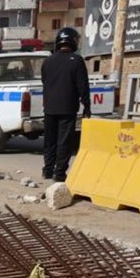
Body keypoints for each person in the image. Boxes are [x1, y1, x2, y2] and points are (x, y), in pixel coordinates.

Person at [40, 26, 91, 181]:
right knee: (64, 142)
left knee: (49, 141)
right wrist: (87, 106)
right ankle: (60, 172)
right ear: (73, 42)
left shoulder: (47, 61)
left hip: (49, 108)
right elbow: (83, 86)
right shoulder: (77, 61)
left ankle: (48, 170)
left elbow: (44, 81)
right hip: (67, 108)